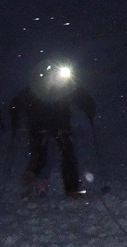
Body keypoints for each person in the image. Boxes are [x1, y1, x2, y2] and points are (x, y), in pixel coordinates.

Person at [10, 61, 96, 198]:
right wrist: (89, 108)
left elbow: (17, 103)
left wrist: (15, 117)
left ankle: (31, 185)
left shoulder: (35, 87)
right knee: (66, 155)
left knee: (40, 156)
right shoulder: (62, 86)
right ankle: (71, 189)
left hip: (40, 125)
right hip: (58, 124)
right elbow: (81, 97)